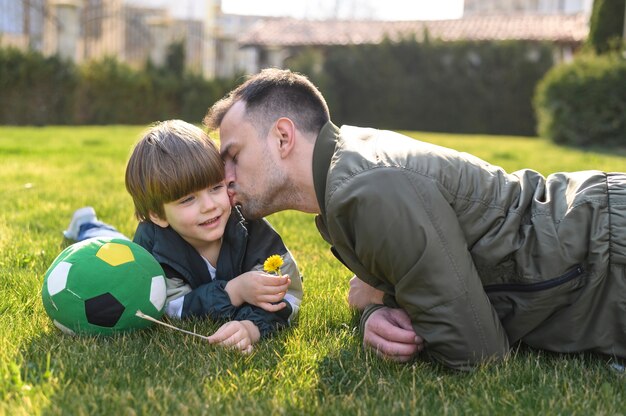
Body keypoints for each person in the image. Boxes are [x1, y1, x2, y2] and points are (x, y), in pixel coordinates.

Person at [203, 68, 626, 370]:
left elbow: (477, 352)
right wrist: (376, 310)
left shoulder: (363, 191)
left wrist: (374, 303)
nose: (225, 178)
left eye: (234, 155)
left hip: (609, 245)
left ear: (282, 136)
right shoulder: (344, 176)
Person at [64, 119, 303, 354]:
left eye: (216, 188)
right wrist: (233, 292)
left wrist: (250, 327)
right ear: (158, 214)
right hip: (137, 248)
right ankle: (87, 224)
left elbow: (288, 292)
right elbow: (168, 307)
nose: (209, 206)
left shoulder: (249, 226)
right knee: (113, 249)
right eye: (188, 199)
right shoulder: (154, 250)